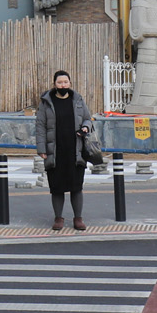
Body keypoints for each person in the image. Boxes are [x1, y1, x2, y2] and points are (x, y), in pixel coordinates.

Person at [35, 70, 94, 232]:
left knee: (76, 186)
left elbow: (88, 118)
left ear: (70, 83)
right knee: (57, 187)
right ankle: (58, 218)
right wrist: (41, 148)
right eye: (60, 82)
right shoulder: (46, 102)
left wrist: (85, 127)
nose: (63, 85)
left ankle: (78, 218)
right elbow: (40, 126)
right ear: (54, 84)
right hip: (55, 151)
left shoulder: (78, 100)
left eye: (65, 82)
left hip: (76, 150)